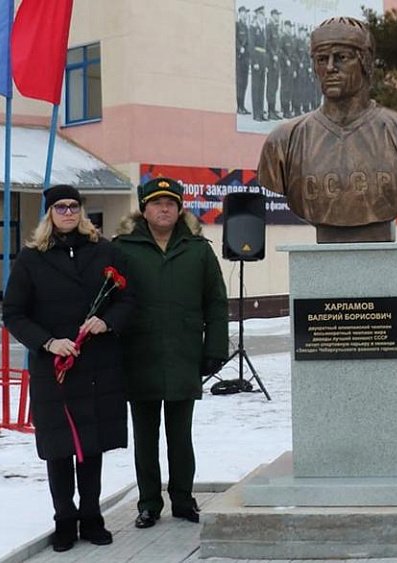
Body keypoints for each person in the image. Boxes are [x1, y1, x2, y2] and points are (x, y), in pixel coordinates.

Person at [2, 185, 134, 553]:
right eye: (60, 207)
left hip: (97, 365)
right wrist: (47, 342)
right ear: (49, 213)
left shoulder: (104, 251)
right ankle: (64, 518)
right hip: (55, 366)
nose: (68, 212)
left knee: (91, 445)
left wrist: (107, 322)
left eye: (74, 206)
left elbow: (128, 299)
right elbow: (14, 313)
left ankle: (91, 516)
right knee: (59, 447)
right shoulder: (32, 257)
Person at [257, 16, 397, 243]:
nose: (330, 68)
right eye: (322, 59)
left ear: (365, 63)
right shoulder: (283, 141)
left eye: (342, 58)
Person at [113, 177, 228, 528]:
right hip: (139, 355)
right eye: (157, 203)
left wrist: (215, 348)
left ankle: (183, 499)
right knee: (145, 437)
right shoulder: (122, 249)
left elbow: (216, 302)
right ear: (143, 209)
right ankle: (149, 502)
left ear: (179, 210)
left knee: (181, 436)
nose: (164, 209)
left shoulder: (198, 249)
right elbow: (109, 302)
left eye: (170, 203)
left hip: (183, 354)